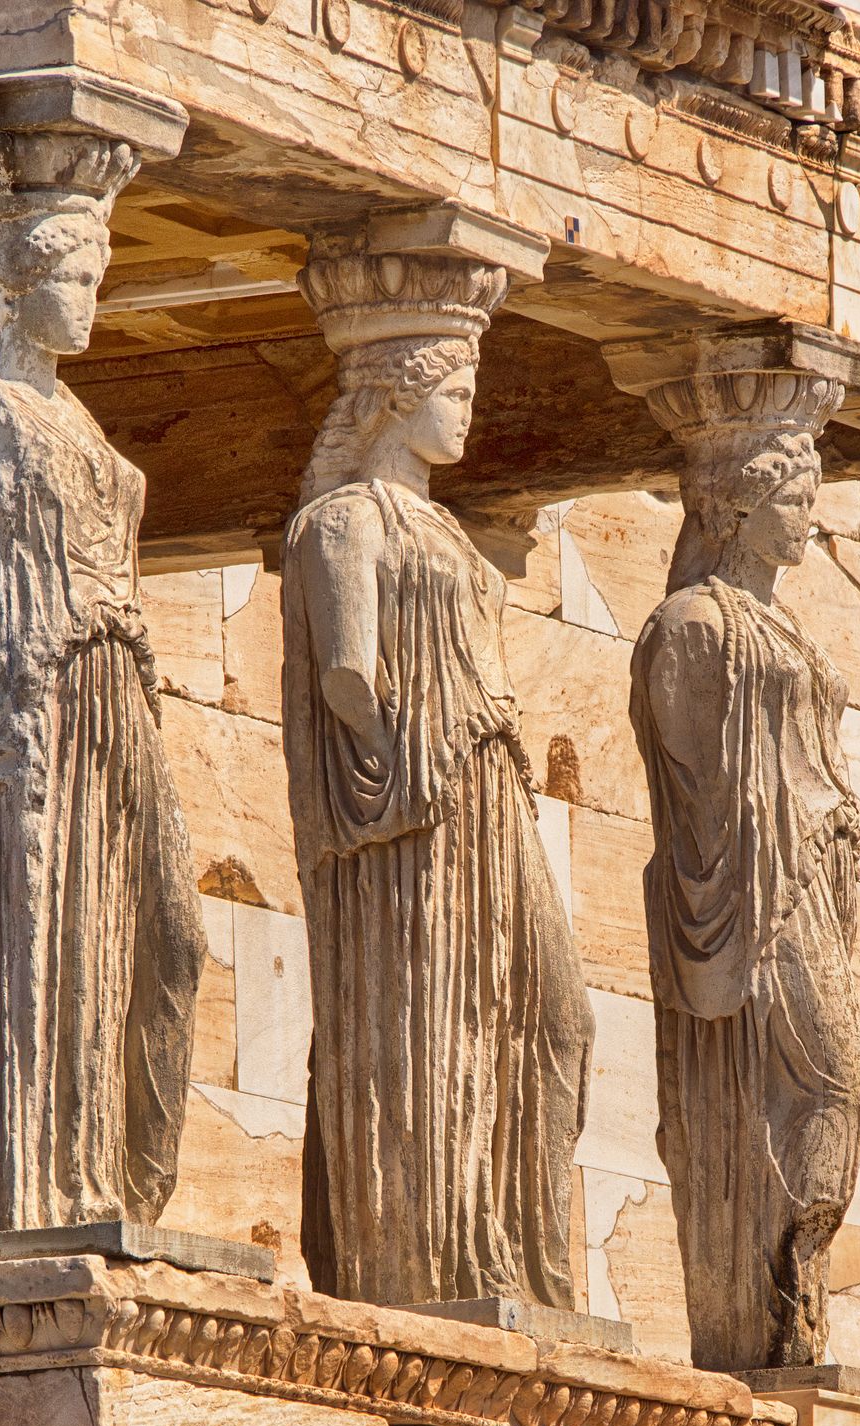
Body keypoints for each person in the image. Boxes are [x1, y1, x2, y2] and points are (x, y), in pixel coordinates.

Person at [0, 131, 204, 1233]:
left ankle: (117, 1185)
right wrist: (4, 726)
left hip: (114, 702)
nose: (86, 303)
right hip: (31, 714)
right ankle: (35, 1198)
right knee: (35, 945)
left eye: (94, 280)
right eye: (70, 279)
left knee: (169, 936)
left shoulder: (69, 415)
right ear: (18, 281)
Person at [282, 253, 594, 1306]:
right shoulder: (344, 522)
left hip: (488, 788)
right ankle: (431, 1257)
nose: (466, 415)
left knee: (550, 1015)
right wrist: (397, 764)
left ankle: (519, 1251)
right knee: (437, 1019)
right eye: (454, 392)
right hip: (416, 804)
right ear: (396, 396)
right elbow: (346, 671)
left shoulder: (448, 531)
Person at [628, 382, 860, 1370]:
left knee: (837, 1088)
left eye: (810, 496)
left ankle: (790, 1287)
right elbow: (687, 787)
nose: (809, 517)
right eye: (792, 499)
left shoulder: (782, 630)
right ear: (735, 505)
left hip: (812, 883)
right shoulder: (691, 624)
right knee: (831, 1081)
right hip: (750, 898)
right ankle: (764, 1299)